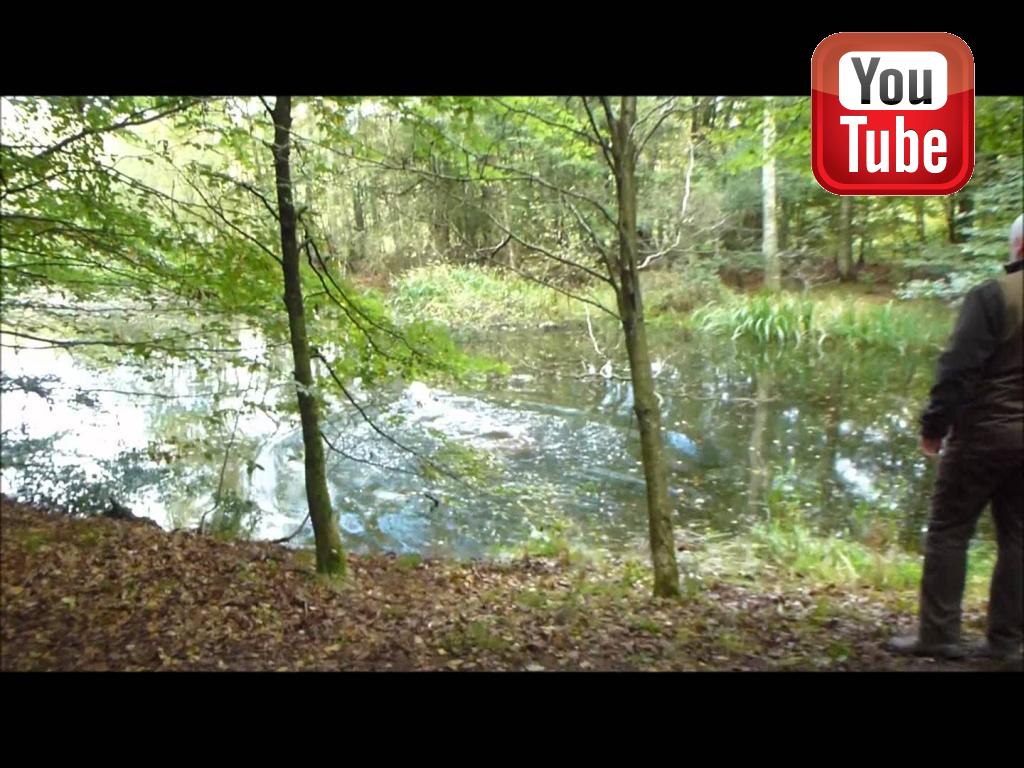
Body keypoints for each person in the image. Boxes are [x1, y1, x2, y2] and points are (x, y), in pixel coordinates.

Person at [888, 213, 1023, 664]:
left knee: (949, 530)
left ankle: (939, 634)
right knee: (1019, 538)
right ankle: (1005, 643)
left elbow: (957, 368)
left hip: (985, 434)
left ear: (1018, 248)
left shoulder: (993, 296)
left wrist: (935, 426)